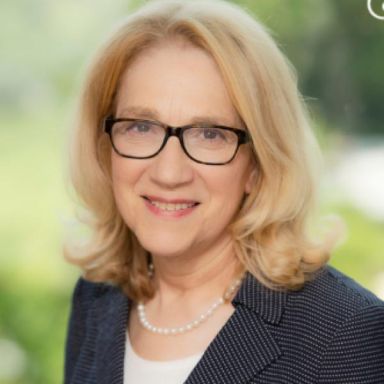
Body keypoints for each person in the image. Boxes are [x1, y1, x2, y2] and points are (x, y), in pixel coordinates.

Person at [63, 0, 384, 383]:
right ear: (105, 146)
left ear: (259, 162)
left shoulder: (347, 335)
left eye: (209, 134)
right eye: (141, 126)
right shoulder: (96, 300)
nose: (168, 172)